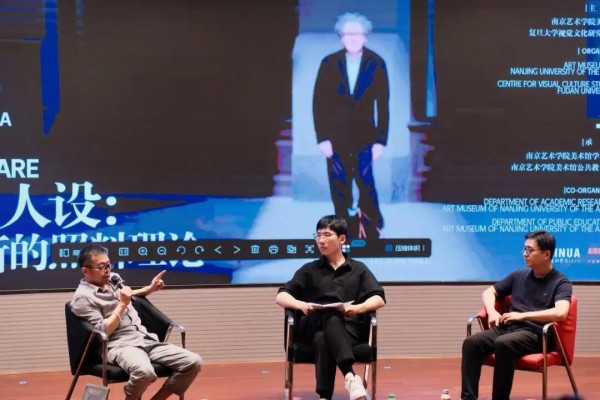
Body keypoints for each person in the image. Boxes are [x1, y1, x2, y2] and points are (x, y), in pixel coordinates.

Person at [70, 244, 202, 400]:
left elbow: (129, 294)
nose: (107, 270)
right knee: (145, 372)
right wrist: (122, 305)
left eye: (109, 265)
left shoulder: (112, 279)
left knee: (193, 362)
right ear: (85, 271)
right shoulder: (83, 298)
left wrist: (149, 289)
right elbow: (103, 332)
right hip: (118, 345)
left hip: (143, 338)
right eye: (101, 267)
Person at [276, 215, 386, 400]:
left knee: (323, 338)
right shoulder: (309, 270)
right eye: (318, 235)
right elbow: (281, 296)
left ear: (342, 239)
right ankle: (350, 376)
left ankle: (325, 397)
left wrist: (357, 308)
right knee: (329, 316)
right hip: (312, 326)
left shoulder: (358, 269)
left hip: (348, 329)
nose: (321, 240)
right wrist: (301, 304)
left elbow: (379, 298)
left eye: (327, 235)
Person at [461, 231, 573, 400]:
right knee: (471, 343)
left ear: (546, 254)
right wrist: (492, 311)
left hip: (537, 333)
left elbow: (561, 312)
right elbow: (489, 292)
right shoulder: (519, 275)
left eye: (530, 250)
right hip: (509, 327)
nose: (525, 254)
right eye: (524, 249)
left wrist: (522, 316)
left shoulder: (561, 282)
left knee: (503, 343)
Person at [313, 12, 389, 239]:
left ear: (366, 36)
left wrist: (381, 141)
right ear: (341, 37)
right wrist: (322, 138)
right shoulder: (328, 63)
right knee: (339, 185)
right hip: (335, 137)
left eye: (358, 33)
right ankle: (343, 229)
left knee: (366, 183)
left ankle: (371, 226)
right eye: (348, 34)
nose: (353, 38)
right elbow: (319, 104)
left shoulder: (376, 63)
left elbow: (383, 105)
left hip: (366, 137)